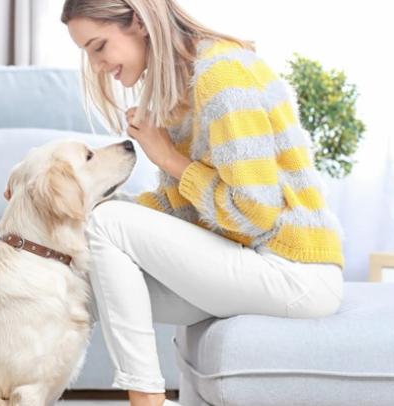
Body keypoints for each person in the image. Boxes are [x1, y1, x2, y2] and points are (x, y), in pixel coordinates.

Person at [59, 1, 346, 405]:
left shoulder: (220, 75)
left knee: (106, 222)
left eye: (98, 46)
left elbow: (255, 213)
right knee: (86, 278)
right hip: (251, 259)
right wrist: (66, 210)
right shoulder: (178, 89)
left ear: (138, 23)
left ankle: (145, 400)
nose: (98, 65)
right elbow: (183, 208)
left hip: (294, 269)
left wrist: (168, 158)